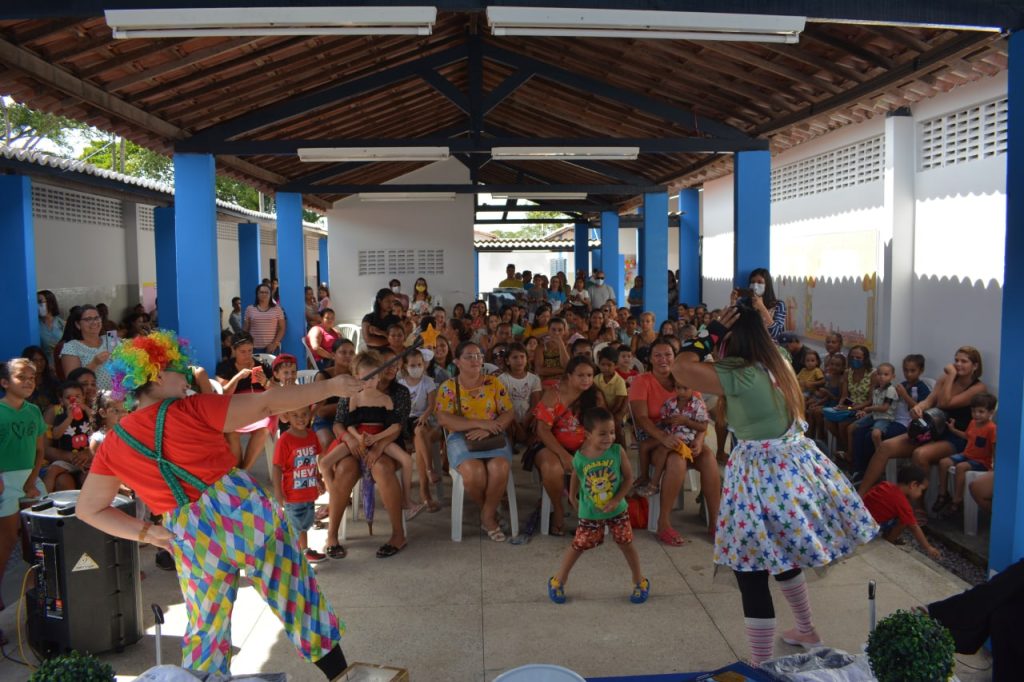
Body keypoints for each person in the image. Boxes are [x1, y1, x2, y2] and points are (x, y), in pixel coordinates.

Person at [77, 330, 353, 678]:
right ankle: (342, 677)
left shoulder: (114, 444)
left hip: (188, 534)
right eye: (180, 368)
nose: (189, 373)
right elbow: (268, 403)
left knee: (206, 628)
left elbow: (88, 509)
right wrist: (331, 387)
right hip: (243, 512)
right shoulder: (191, 408)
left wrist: (148, 533)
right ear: (158, 376)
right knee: (297, 598)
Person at [670, 304, 878, 665]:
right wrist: (751, 320)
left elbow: (680, 367)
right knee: (782, 552)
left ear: (731, 339)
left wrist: (709, 333)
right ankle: (806, 629)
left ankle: (763, 666)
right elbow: (764, 332)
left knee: (750, 567)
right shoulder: (777, 357)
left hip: (760, 476)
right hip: (794, 468)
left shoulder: (738, 372)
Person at [547, 407, 648, 605]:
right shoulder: (580, 457)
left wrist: (616, 499)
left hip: (618, 510)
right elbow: (577, 474)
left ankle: (640, 581)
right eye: (602, 433)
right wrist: (573, 497)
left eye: (611, 432)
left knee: (626, 544)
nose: (608, 438)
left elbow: (628, 479)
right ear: (588, 434)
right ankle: (558, 580)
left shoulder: (617, 451)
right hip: (590, 512)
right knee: (578, 545)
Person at [858, 346, 988, 497]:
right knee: (885, 446)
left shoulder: (978, 387)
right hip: (931, 430)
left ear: (975, 366)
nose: (958, 364)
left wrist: (951, 376)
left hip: (956, 436)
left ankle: (918, 507)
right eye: (956, 360)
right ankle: (861, 495)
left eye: (964, 361)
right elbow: (930, 400)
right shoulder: (944, 379)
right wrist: (919, 407)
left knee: (920, 454)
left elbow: (945, 403)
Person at [435, 341, 515, 541]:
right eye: (469, 356)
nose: (475, 360)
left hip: (493, 435)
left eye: (479, 355)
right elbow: (443, 418)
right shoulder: (449, 387)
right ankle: (488, 512)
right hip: (461, 437)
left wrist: (491, 428)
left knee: (500, 468)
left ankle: (487, 516)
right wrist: (480, 424)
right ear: (457, 362)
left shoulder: (493, 383)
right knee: (474, 472)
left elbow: (508, 412)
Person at [534, 357, 605, 536]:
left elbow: (602, 429)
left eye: (589, 375)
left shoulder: (595, 396)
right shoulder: (553, 394)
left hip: (587, 446)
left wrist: (583, 452)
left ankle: (586, 514)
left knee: (591, 465)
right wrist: (564, 455)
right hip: (551, 445)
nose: (586, 380)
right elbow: (542, 430)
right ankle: (558, 509)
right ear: (569, 376)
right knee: (552, 467)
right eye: (580, 375)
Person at [342, 352, 417, 521]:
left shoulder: (389, 397)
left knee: (407, 460)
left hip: (382, 438)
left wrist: (377, 440)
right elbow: (347, 423)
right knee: (327, 461)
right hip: (359, 438)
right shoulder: (353, 396)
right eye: (366, 377)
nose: (370, 381)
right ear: (357, 376)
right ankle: (335, 500)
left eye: (373, 377)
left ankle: (406, 498)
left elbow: (396, 425)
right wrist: (357, 437)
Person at [0, 358, 46, 613]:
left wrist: (31, 480)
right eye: (21, 378)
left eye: (32, 378)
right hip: (5, 480)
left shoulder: (34, 411)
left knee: (37, 540)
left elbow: (40, 451)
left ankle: (38, 594)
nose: (29, 382)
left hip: (31, 479)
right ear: (5, 382)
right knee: (5, 543)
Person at [273, 404, 327, 563]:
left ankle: (304, 552)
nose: (300, 419)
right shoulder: (285, 440)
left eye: (304, 414)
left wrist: (318, 479)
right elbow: (276, 466)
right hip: (293, 495)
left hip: (309, 493)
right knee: (293, 529)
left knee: (304, 526)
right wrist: (278, 490)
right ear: (287, 417)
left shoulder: (311, 435)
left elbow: (312, 460)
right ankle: (292, 560)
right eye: (295, 415)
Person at [934, 392, 997, 518]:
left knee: (961, 467)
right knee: (943, 462)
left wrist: (994, 465)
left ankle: (957, 501)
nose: (976, 415)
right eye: (974, 411)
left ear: (990, 413)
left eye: (981, 411)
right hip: (967, 455)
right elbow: (967, 436)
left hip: (981, 461)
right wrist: (953, 430)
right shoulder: (973, 423)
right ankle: (943, 494)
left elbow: (995, 446)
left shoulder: (992, 428)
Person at [215, 331, 272, 470]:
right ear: (233, 350)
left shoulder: (262, 365)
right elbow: (224, 394)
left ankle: (244, 471)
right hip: (235, 408)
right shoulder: (225, 367)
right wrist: (238, 377)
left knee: (263, 429)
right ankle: (238, 468)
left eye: (250, 351)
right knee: (231, 431)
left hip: (259, 408)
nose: (247, 355)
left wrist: (265, 382)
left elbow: (275, 391)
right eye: (242, 352)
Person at [862, 465, 940, 559]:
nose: (921, 494)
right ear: (913, 485)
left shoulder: (885, 484)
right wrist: (928, 547)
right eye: (921, 490)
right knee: (904, 521)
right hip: (869, 529)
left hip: (860, 517)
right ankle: (889, 541)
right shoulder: (903, 504)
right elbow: (914, 527)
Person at [398, 349, 441, 514]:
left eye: (419, 365)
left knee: (421, 432)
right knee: (420, 439)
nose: (416, 368)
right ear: (405, 366)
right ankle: (426, 489)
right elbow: (400, 408)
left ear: (424, 365)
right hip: (405, 421)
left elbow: (431, 405)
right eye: (412, 365)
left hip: (423, 419)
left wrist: (424, 416)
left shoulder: (428, 382)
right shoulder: (401, 384)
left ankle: (428, 476)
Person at [42, 379, 93, 491]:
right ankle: (43, 499)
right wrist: (69, 417)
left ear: (83, 397)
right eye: (68, 397)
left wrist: (84, 408)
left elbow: (96, 420)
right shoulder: (61, 416)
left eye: (77, 396)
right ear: (61, 400)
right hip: (67, 460)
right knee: (52, 470)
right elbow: (56, 435)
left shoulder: (87, 414)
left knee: (91, 474)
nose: (73, 400)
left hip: (86, 459)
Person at [60, 304, 117, 390]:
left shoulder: (111, 339)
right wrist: (94, 363)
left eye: (96, 318)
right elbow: (72, 382)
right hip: (91, 398)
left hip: (118, 397)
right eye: (88, 319)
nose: (94, 322)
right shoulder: (71, 346)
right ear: (78, 324)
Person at [312, 339, 355, 449]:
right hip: (325, 421)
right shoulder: (323, 376)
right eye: (343, 352)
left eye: (351, 353)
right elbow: (321, 411)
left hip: (350, 420)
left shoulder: (357, 375)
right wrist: (349, 403)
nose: (348, 356)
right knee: (328, 443)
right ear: (333, 355)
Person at [498, 342, 542, 448]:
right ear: (507, 361)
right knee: (507, 427)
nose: (519, 360)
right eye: (515, 357)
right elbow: (503, 407)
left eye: (522, 357)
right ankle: (511, 442)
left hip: (528, 418)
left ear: (527, 359)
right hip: (510, 419)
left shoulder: (534, 379)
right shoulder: (502, 380)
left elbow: (535, 404)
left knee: (537, 424)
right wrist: (517, 426)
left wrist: (524, 423)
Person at [851, 362, 899, 454]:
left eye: (886, 374)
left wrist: (869, 409)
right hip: (874, 415)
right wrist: (865, 412)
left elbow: (884, 408)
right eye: (879, 374)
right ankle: (852, 454)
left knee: (875, 433)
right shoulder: (876, 390)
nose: (882, 377)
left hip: (885, 418)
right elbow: (875, 404)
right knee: (854, 426)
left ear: (893, 377)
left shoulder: (891, 390)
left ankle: (880, 452)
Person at [733, 268, 787, 343]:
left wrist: (762, 308)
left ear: (767, 285)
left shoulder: (778, 305)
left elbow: (776, 333)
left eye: (760, 282)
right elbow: (734, 327)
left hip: (769, 349)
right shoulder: (743, 303)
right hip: (747, 348)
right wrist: (733, 302)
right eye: (752, 282)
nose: (755, 285)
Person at [594, 346, 629, 444]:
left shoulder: (619, 381)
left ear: (616, 365)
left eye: (609, 365)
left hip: (617, 412)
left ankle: (621, 451)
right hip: (602, 412)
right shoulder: (596, 379)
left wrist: (610, 415)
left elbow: (620, 402)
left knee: (617, 428)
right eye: (602, 364)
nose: (605, 368)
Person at [244, 283, 286, 353]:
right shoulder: (250, 309)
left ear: (270, 294)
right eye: (261, 292)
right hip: (253, 347)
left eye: (266, 292)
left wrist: (274, 344)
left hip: (272, 348)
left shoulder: (277, 309)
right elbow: (246, 329)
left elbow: (282, 328)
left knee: (272, 364)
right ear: (257, 294)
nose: (264, 294)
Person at [37, 289, 65, 360]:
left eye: (40, 302)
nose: (37, 305)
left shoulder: (62, 323)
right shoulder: (35, 326)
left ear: (51, 303)